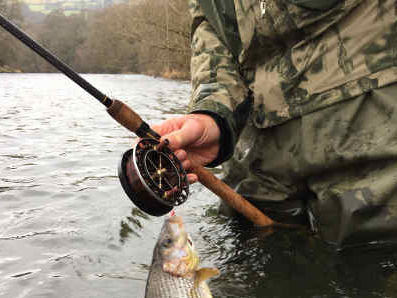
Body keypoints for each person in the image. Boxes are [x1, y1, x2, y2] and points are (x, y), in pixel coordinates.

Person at [153, 0, 397, 248]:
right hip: (259, 143)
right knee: (247, 255)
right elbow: (212, 30)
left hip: (373, 119)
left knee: (372, 263)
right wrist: (212, 114)